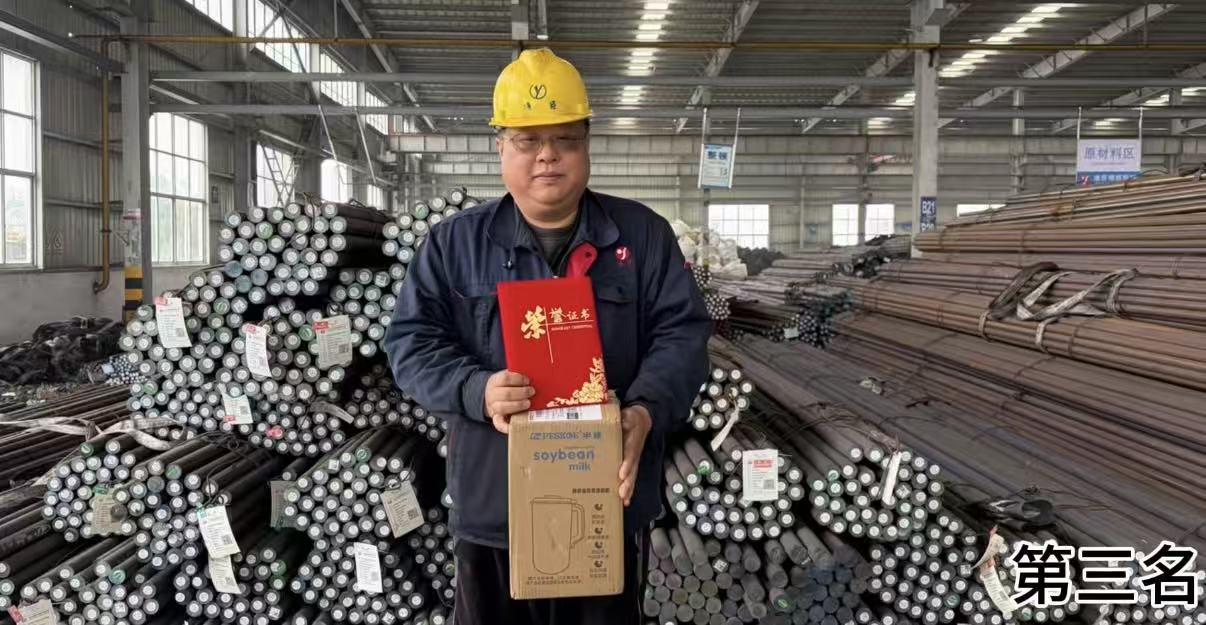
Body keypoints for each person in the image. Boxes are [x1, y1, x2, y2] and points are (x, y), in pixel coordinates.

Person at [383, 48, 712, 625]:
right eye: (527, 140)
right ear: (500, 147)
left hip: (604, 505)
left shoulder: (642, 237)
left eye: (565, 139)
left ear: (587, 145)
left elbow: (682, 336)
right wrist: (477, 390)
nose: (547, 155)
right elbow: (411, 343)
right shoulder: (454, 245)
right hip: (496, 509)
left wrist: (644, 412)